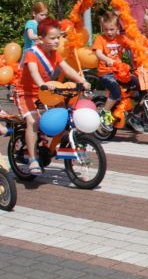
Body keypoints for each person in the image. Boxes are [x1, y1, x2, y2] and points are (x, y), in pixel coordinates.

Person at [14, 18, 91, 175]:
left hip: (46, 92)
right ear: (41, 39)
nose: (57, 41)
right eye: (53, 38)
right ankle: (33, 158)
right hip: (25, 93)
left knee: (64, 114)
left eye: (58, 37)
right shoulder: (32, 53)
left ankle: (49, 149)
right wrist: (43, 83)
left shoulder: (55, 54)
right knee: (33, 121)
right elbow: (34, 72)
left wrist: (82, 80)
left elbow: (67, 69)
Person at [92, 11, 137, 131]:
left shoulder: (121, 38)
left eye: (112, 29)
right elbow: (98, 53)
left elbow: (135, 47)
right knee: (115, 90)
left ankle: (132, 113)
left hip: (119, 72)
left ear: (117, 28)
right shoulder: (100, 39)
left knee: (137, 84)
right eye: (106, 29)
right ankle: (104, 113)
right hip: (106, 72)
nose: (109, 32)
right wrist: (107, 59)